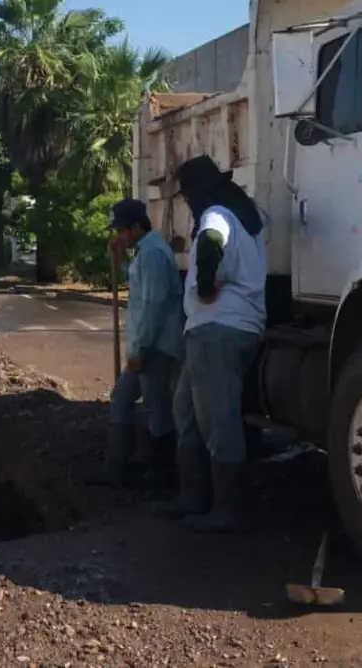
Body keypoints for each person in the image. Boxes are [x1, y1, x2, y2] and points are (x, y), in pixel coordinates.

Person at [154, 155, 267, 533]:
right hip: (222, 329)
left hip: (218, 329)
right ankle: (193, 495)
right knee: (185, 409)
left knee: (218, 418)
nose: (187, 202)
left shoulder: (217, 214)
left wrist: (204, 286)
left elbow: (211, 244)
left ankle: (225, 510)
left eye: (187, 195)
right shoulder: (245, 218)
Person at [94, 198, 183, 491]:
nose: (119, 236)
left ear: (135, 227)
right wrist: (121, 260)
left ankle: (162, 477)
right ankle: (116, 469)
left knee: (157, 409)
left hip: (155, 347)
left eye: (121, 231)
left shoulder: (155, 254)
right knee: (121, 398)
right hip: (145, 346)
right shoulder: (145, 253)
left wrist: (140, 351)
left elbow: (153, 306)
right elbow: (139, 282)